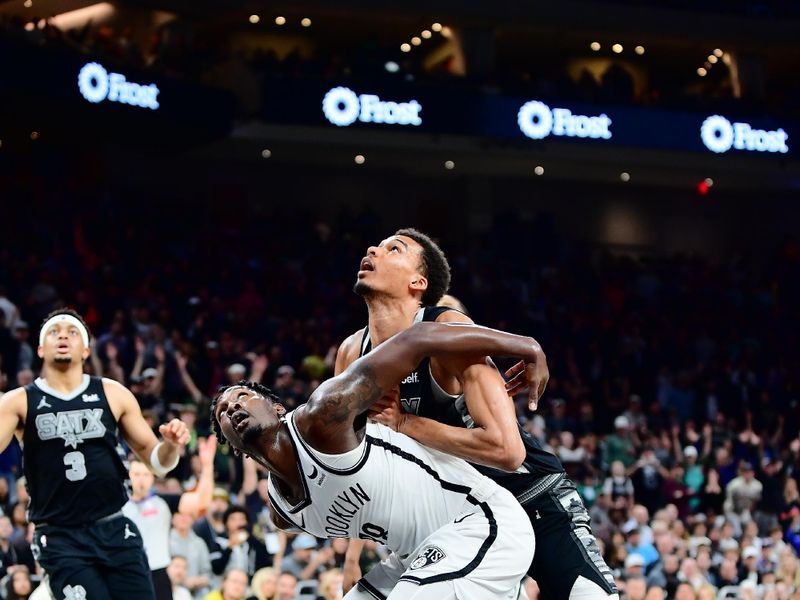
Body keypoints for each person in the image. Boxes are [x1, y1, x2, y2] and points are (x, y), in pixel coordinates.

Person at [337, 229, 618, 600]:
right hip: (456, 515)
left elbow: (507, 450)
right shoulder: (352, 354)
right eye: (377, 244)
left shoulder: (450, 331)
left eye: (394, 249)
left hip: (528, 495)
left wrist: (406, 423)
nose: (373, 248)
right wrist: (352, 555)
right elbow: (363, 462)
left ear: (418, 282)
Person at [211, 320, 542, 599]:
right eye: (223, 411)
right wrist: (351, 559)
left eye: (243, 396)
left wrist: (527, 346)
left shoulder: (324, 416)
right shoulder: (283, 514)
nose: (234, 406)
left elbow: (419, 337)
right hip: (415, 556)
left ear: (278, 408)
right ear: (232, 445)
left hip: (480, 522)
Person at [0, 308, 190, 600]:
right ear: (40, 348)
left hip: (115, 528)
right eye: (54, 331)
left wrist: (170, 445)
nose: (63, 334)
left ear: (86, 348)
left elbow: (158, 465)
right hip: (61, 537)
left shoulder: (113, 393)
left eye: (72, 331)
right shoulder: (19, 401)